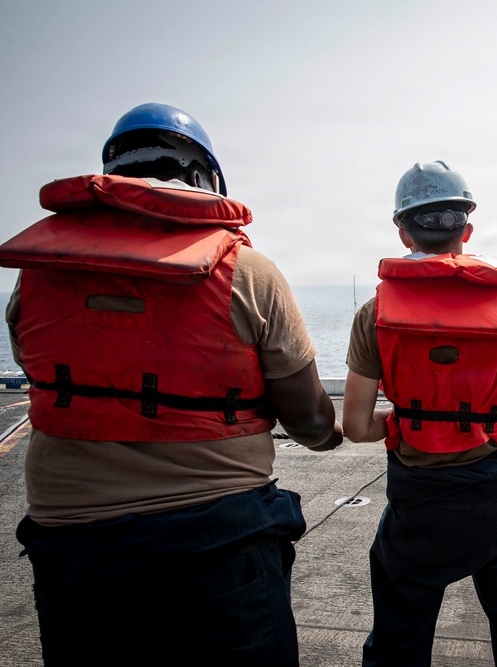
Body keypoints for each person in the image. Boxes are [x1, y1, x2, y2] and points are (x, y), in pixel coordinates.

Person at [0, 102, 343, 666]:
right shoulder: (247, 271)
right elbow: (308, 420)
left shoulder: (37, 274)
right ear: (205, 180)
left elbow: (37, 368)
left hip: (76, 556)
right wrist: (334, 436)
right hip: (219, 549)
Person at [342, 160, 497, 666]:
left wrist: (409, 423)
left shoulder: (375, 315)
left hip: (417, 503)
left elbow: (354, 425)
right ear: (468, 229)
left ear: (402, 230)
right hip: (494, 496)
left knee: (398, 639)